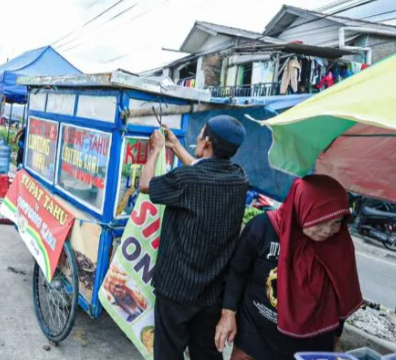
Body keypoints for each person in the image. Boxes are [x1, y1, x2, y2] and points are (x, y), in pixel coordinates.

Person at [215, 175, 363, 360]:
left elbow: (341, 293)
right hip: (255, 336)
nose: (328, 230)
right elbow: (237, 271)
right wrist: (228, 314)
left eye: (336, 222)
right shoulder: (263, 228)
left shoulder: (337, 245)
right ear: (301, 208)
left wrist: (336, 335)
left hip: (309, 345)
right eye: (320, 220)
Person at [139, 116, 249, 360]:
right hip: (211, 293)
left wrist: (156, 150)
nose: (198, 138)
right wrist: (176, 146)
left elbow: (145, 185)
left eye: (201, 134)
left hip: (176, 290)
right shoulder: (239, 178)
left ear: (207, 141)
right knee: (205, 353)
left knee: (168, 352)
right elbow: (203, 171)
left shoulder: (186, 180)